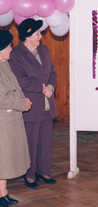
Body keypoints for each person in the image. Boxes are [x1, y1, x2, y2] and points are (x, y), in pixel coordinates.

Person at [9, 18, 58, 189]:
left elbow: (52, 72)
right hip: (30, 105)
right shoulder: (16, 54)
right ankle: (29, 175)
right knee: (31, 141)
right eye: (38, 34)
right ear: (28, 35)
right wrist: (42, 87)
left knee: (45, 141)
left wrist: (51, 86)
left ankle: (43, 172)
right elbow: (19, 80)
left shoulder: (43, 50)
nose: (41, 37)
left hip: (47, 104)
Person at [0, 30, 32, 207]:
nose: (12, 49)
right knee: (2, 159)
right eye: (9, 46)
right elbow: (2, 98)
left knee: (3, 161)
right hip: (2, 122)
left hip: (8, 120)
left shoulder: (4, 64)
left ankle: (3, 194)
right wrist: (21, 104)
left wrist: (22, 101)